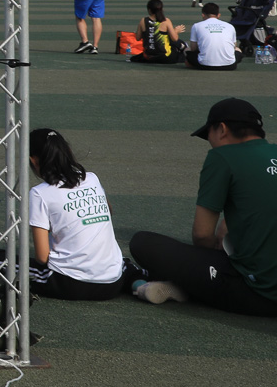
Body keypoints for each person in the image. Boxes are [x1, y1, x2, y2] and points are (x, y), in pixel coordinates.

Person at [129, 99, 277, 316]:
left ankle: (187, 286)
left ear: (222, 129)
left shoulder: (223, 157)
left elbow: (202, 234)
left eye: (209, 136)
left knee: (143, 243)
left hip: (260, 295)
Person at [25, 129, 138, 299]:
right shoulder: (91, 178)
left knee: (2, 260)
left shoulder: (39, 193)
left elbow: (42, 257)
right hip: (112, 283)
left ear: (33, 160)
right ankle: (140, 285)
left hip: (69, 284)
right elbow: (109, 211)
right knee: (125, 265)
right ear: (68, 151)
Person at [128, 0, 185, 64]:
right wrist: (176, 31)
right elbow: (174, 39)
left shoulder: (143, 21)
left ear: (149, 10)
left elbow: (138, 38)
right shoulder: (165, 21)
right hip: (165, 57)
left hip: (149, 57)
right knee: (177, 45)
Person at [187, 3, 239, 70]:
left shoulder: (196, 26)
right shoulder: (230, 26)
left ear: (203, 15)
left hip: (204, 65)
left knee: (187, 50)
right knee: (238, 50)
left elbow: (193, 48)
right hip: (229, 66)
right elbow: (234, 47)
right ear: (218, 15)